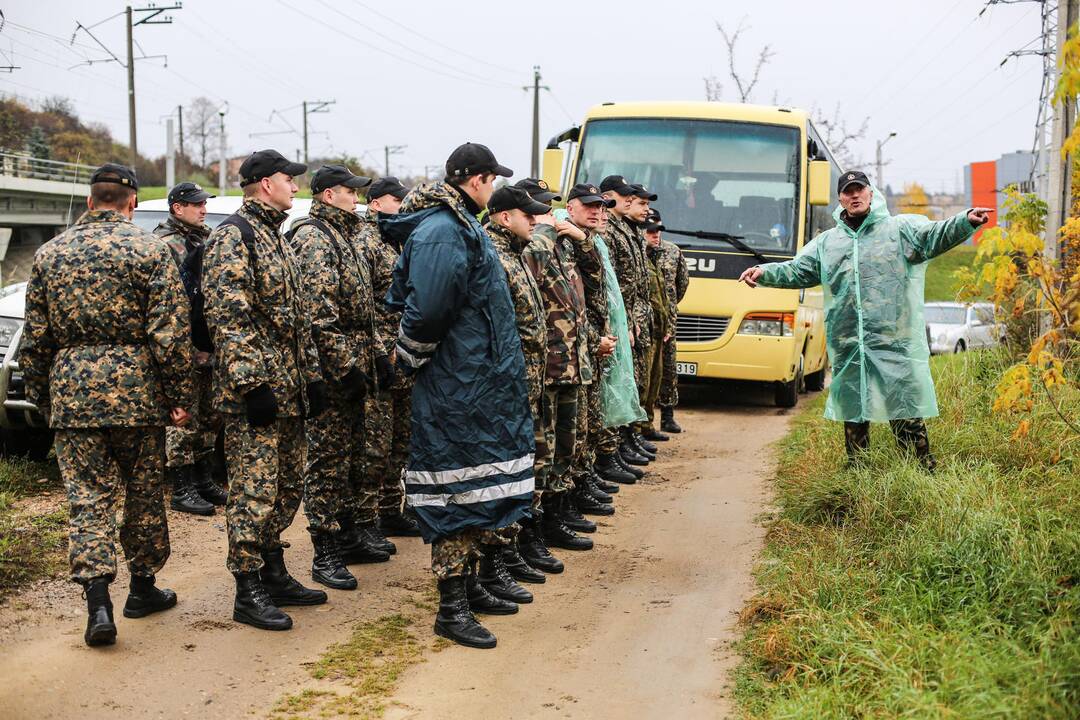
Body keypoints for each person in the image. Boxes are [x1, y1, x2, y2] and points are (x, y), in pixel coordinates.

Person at [20, 163, 193, 647]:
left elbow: (35, 340)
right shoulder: (150, 249)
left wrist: (44, 397)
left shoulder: (50, 254)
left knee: (87, 501)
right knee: (142, 493)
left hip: (74, 393)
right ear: (131, 202)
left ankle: (98, 604)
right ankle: (142, 588)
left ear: (92, 199)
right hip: (137, 393)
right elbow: (170, 335)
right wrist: (179, 396)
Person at [383, 143, 534, 649]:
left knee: (482, 485)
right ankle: (450, 608)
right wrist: (406, 361)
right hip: (456, 387)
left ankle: (469, 586)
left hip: (477, 384)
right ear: (476, 180)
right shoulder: (444, 230)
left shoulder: (459, 224)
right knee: (453, 490)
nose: (493, 190)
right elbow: (426, 312)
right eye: (492, 180)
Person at [739, 171, 992, 470]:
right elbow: (798, 270)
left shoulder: (898, 230)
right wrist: (764, 273)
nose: (855, 195)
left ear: (871, 194)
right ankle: (858, 473)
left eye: (860, 189)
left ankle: (920, 471)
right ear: (840, 199)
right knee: (855, 413)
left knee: (905, 411)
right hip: (849, 344)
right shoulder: (828, 244)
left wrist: (965, 221)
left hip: (893, 342)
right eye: (848, 191)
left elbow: (933, 236)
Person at [203, 149, 328, 631]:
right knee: (253, 492)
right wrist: (252, 385)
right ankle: (248, 586)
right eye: (288, 179)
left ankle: (274, 571)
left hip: (290, 389)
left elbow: (298, 321)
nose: (295, 187)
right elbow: (229, 320)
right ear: (262, 183)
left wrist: (312, 376)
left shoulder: (276, 237)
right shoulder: (234, 236)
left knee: (286, 486)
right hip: (257, 395)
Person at [291, 164, 391, 593]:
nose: (357, 198)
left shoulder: (347, 235)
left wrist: (379, 356)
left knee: (354, 455)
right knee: (328, 462)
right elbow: (319, 316)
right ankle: (325, 550)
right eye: (351, 192)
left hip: (360, 356)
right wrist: (344, 366)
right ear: (329, 195)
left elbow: (366, 307)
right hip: (334, 370)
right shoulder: (314, 236)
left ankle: (348, 534)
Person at [480, 185, 553, 604]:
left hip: (525, 384)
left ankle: (506, 554)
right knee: (498, 476)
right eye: (528, 215)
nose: (535, 221)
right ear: (505, 217)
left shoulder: (514, 253)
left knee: (520, 472)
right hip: (505, 388)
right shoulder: (493, 257)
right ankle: (493, 564)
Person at [523, 184, 600, 555]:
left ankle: (556, 515)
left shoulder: (562, 242)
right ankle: (534, 530)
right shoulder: (530, 245)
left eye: (549, 209)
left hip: (571, 362)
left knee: (565, 449)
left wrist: (581, 239)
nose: (548, 216)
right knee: (541, 453)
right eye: (539, 211)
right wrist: (548, 230)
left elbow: (595, 278)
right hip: (545, 367)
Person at [154, 181, 227, 516]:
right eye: (196, 204)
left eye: (203, 203)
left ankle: (204, 479)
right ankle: (181, 486)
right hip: (181, 343)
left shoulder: (206, 237)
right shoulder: (165, 243)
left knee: (210, 416)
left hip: (207, 343)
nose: (203, 208)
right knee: (184, 417)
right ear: (176, 208)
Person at [356, 176, 422, 540]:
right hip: (382, 358)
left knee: (401, 442)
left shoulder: (398, 240)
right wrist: (381, 351)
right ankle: (366, 520)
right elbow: (364, 307)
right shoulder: (365, 242)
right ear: (376, 203)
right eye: (396, 200)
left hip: (405, 356)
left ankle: (389, 510)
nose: (403, 205)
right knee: (375, 447)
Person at [599, 176, 657, 467]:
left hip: (630, 319)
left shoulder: (627, 229)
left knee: (633, 382)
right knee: (615, 385)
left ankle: (626, 438)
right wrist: (622, 323)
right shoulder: (608, 228)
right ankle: (612, 449)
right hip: (616, 321)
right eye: (629, 198)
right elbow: (611, 284)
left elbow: (636, 283)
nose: (632, 202)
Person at [647, 211, 689, 434]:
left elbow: (681, 285)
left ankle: (668, 415)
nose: (655, 235)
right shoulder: (638, 253)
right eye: (651, 231)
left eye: (659, 230)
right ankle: (645, 421)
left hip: (668, 325)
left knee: (669, 370)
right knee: (648, 374)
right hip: (647, 325)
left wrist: (669, 311)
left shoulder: (673, 252)